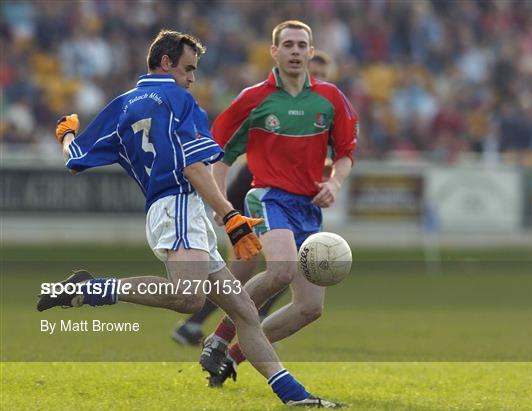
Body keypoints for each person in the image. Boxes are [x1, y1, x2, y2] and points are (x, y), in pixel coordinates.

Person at [36, 29, 341, 408]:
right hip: (179, 204)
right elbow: (195, 167)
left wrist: (65, 133)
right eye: (188, 69)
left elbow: (74, 160)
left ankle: (295, 396)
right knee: (188, 298)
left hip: (164, 209)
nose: (192, 78)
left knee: (244, 311)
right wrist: (230, 215)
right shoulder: (179, 99)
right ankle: (89, 288)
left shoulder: (123, 104)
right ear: (166, 64)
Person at [199, 21, 358, 387]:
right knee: (281, 271)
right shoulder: (254, 99)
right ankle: (219, 337)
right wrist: (221, 204)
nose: (296, 51)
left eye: (302, 45)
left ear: (310, 50)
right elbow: (218, 154)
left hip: (308, 208)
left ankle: (232, 356)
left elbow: (347, 152)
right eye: (288, 45)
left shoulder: (331, 98)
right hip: (268, 196)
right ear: (275, 52)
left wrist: (334, 182)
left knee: (309, 308)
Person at [172, 49, 335, 346]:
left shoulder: (322, 111)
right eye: (317, 74)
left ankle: (215, 327)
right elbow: (229, 152)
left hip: (283, 203)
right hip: (254, 195)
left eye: (325, 76)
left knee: (277, 274)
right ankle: (205, 325)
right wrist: (224, 205)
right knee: (251, 272)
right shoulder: (273, 105)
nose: (319, 81)